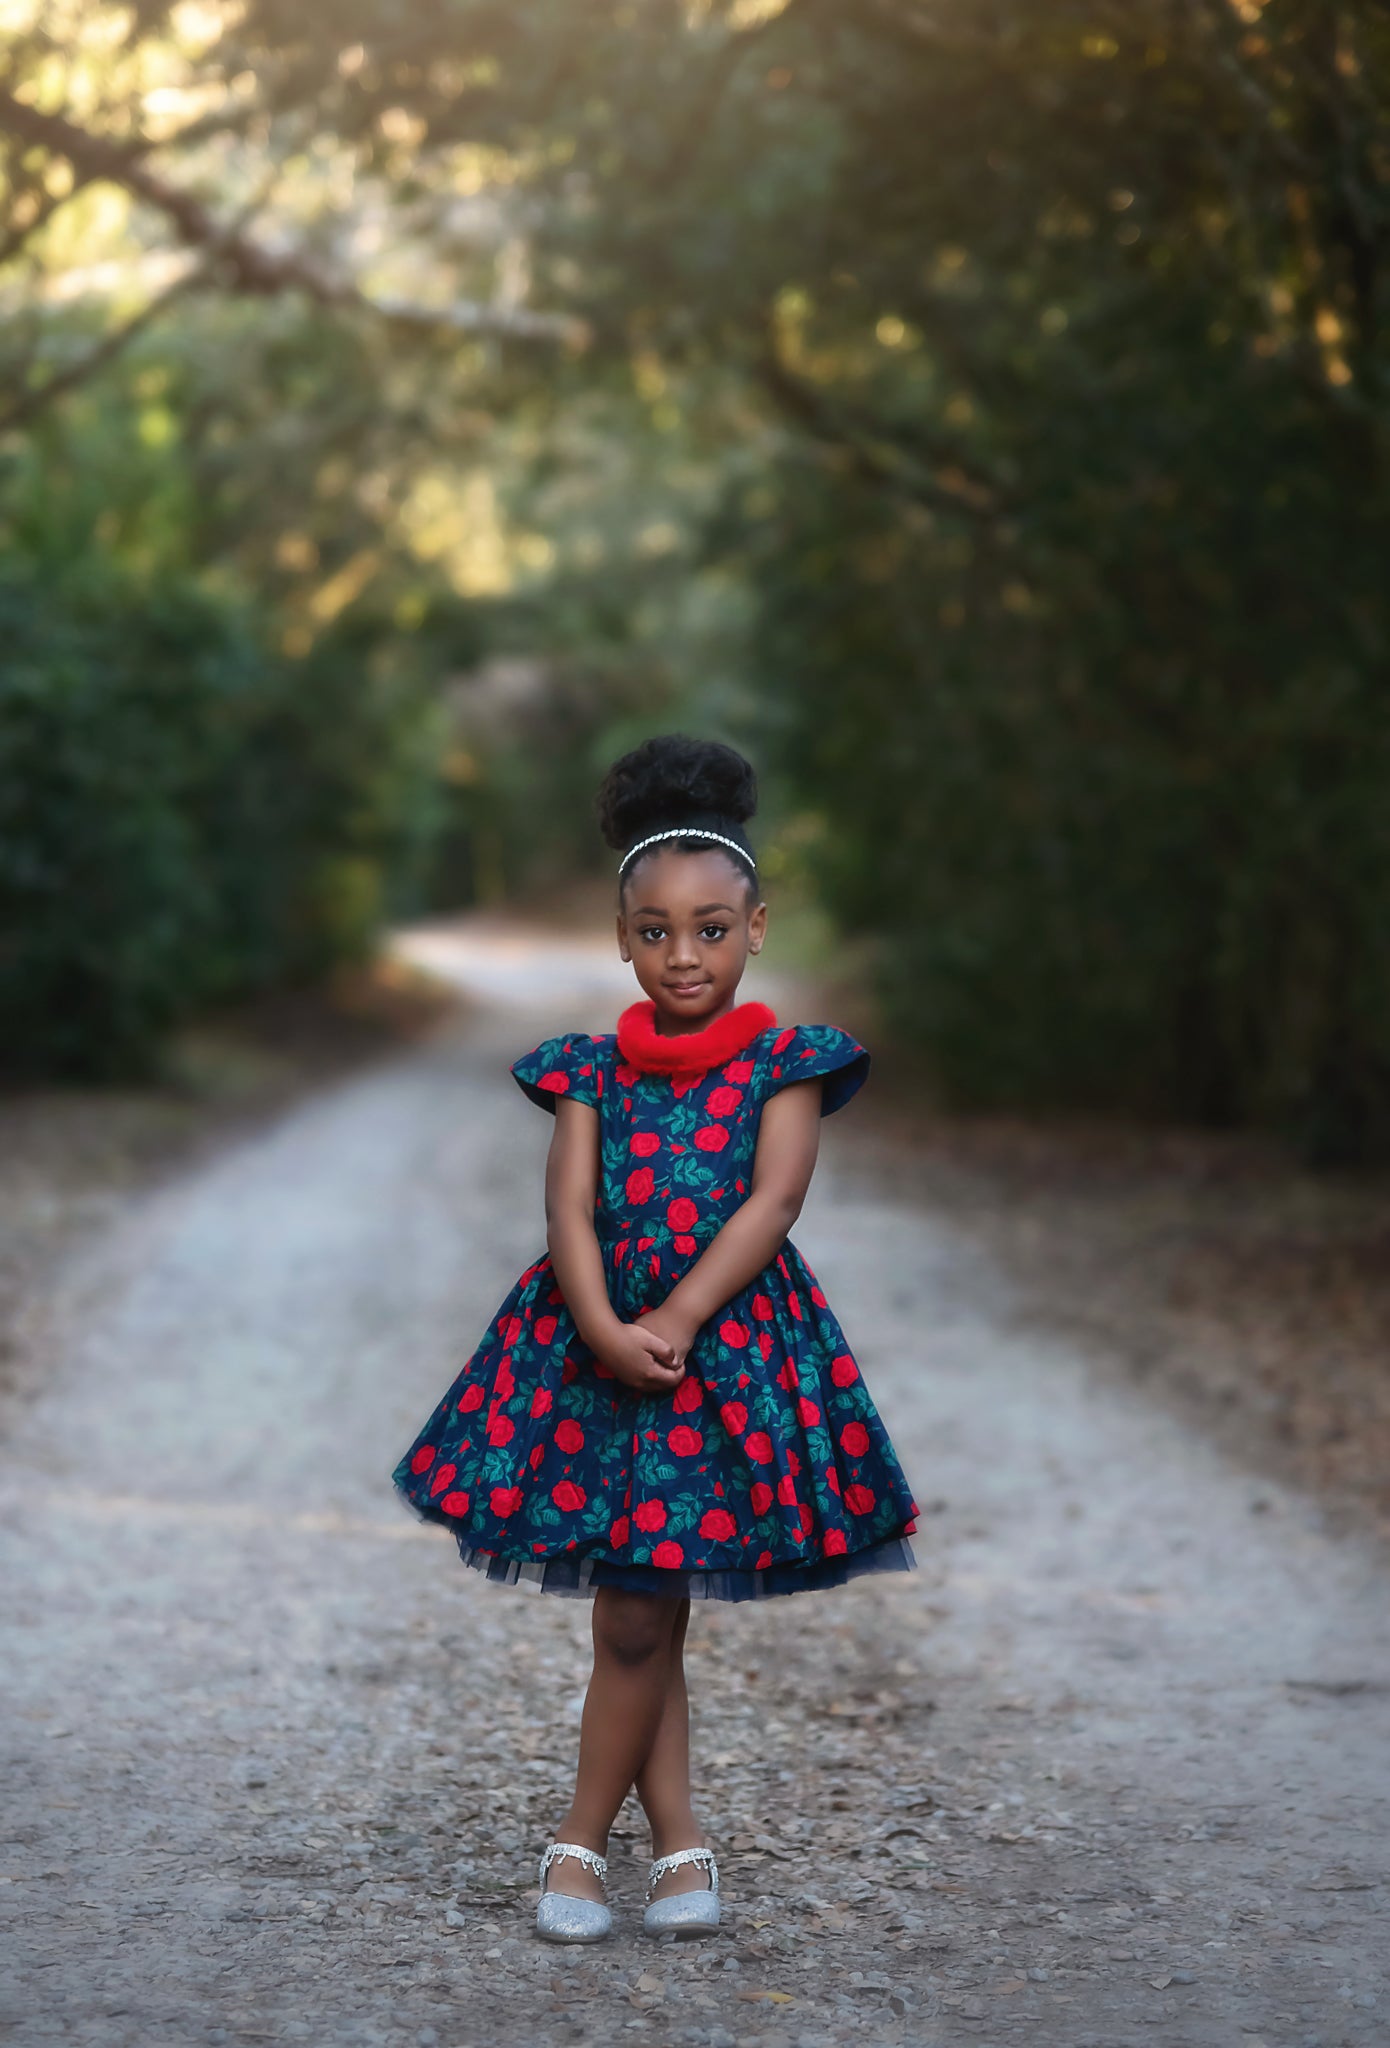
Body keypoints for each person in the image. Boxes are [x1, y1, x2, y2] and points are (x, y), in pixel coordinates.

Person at [392, 734, 918, 1943]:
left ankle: (596, 1843)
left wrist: (675, 1318)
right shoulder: (584, 1067)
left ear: (755, 926)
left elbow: (772, 1201)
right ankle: (656, 1844)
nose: (683, 955)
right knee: (638, 1610)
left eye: (711, 929)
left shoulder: (789, 1062)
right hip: (594, 1360)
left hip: (717, 1364)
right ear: (622, 935)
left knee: (641, 1609)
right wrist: (597, 1322)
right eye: (655, 931)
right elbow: (566, 1208)